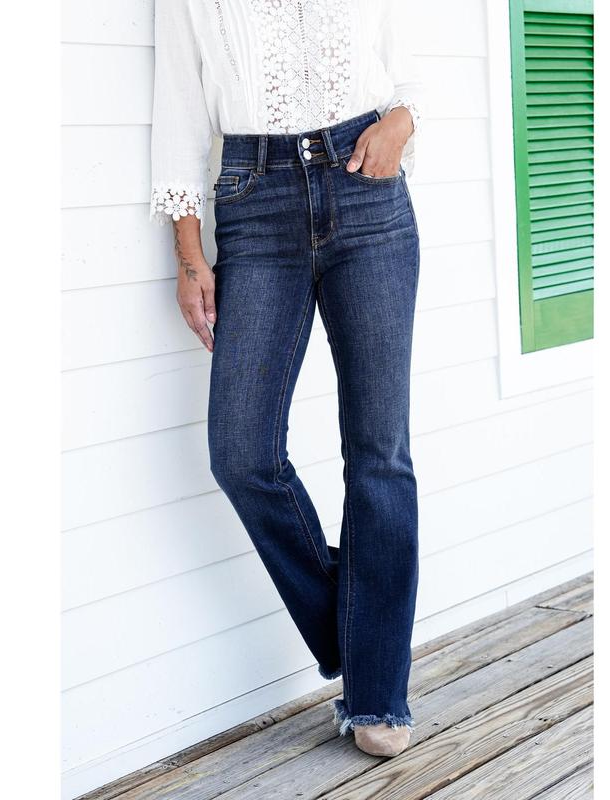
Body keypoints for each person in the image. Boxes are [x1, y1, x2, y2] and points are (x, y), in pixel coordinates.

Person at [150, 0, 426, 758]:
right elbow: (179, 111)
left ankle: (377, 696)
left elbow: (408, 71)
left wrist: (402, 122)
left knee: (379, 454)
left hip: (368, 190)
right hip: (255, 198)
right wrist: (188, 255)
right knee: (241, 453)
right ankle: (364, 641)